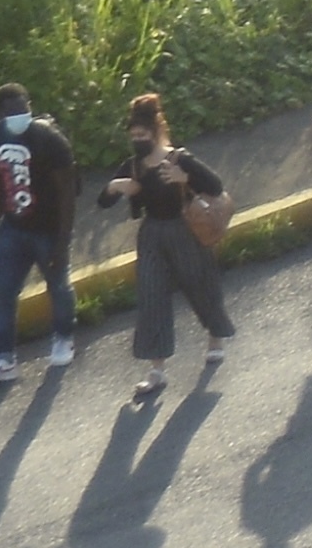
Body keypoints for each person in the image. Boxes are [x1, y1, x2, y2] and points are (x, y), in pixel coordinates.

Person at [100, 93, 235, 401]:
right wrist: (115, 187)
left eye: (143, 135)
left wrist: (183, 177)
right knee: (151, 295)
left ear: (156, 132)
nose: (138, 141)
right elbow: (103, 202)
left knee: (200, 285)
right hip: (151, 234)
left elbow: (214, 185)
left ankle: (216, 337)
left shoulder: (178, 158)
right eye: (133, 136)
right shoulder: (132, 166)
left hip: (183, 229)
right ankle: (156, 370)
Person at [0, 81, 82, 381]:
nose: (20, 114)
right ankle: (3, 359)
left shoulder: (50, 140)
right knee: (3, 293)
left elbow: (68, 190)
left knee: (58, 285)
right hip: (12, 228)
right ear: (1, 113)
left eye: (24, 107)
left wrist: (63, 239)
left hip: (47, 230)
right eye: (12, 109)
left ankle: (63, 337)